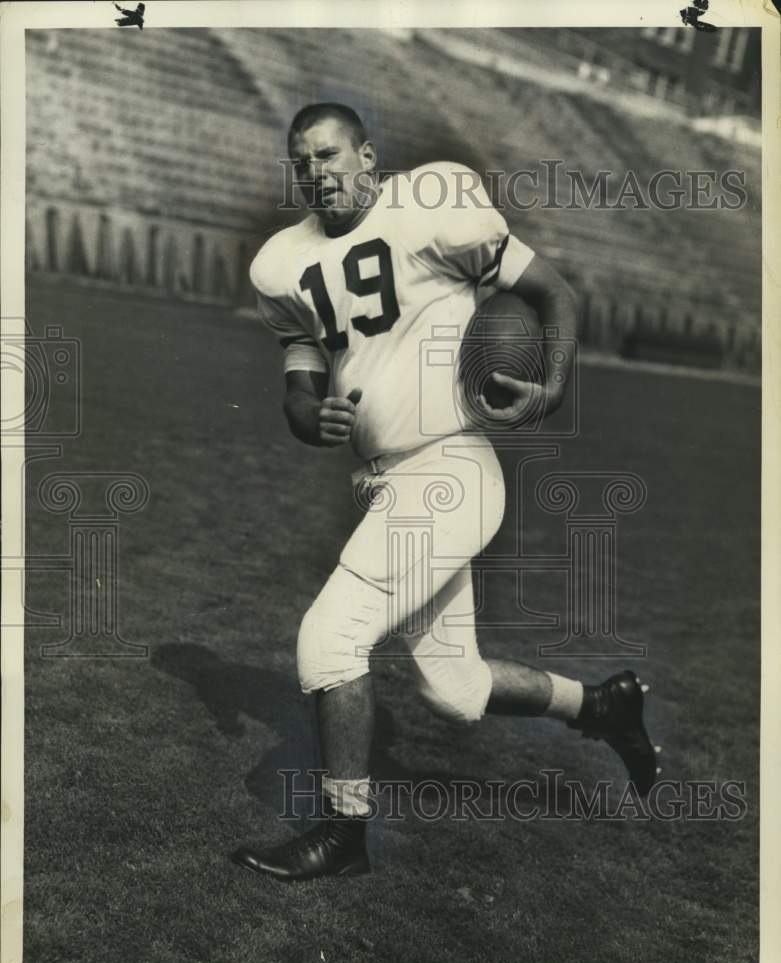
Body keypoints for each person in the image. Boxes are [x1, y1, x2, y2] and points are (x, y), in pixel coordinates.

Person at [232, 103, 659, 881]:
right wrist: (305, 412)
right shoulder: (282, 263)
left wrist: (551, 387)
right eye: (301, 163)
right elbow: (299, 371)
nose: (315, 173)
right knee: (453, 689)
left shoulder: (430, 208)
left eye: (328, 155)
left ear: (367, 156)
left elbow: (554, 293)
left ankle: (343, 835)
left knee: (328, 641)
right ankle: (599, 706)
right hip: (385, 482)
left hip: (448, 471)